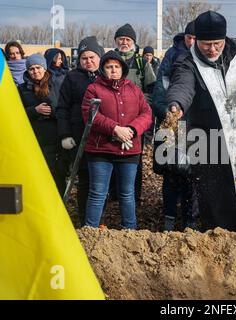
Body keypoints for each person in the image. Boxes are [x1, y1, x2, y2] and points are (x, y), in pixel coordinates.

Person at [166, 11, 236, 234]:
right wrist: (176, 104)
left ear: (225, 39)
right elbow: (182, 85)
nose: (212, 49)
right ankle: (225, 245)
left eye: (216, 44)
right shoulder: (187, 62)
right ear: (196, 40)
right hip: (211, 142)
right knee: (219, 198)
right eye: (206, 44)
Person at [81, 50, 152, 229]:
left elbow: (146, 113)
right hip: (100, 150)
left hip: (129, 150)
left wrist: (132, 129)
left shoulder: (134, 89)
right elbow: (90, 115)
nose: (113, 70)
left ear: (123, 69)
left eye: (117, 67)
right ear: (103, 69)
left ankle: (130, 231)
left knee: (127, 193)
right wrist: (114, 129)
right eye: (109, 67)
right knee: (98, 192)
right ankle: (90, 231)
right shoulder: (94, 89)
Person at [152, 20, 199, 231]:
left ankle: (191, 219)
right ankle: (169, 217)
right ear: (185, 37)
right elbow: (160, 94)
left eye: (197, 38)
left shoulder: (206, 57)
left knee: (193, 174)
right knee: (171, 173)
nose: (193, 42)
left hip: (196, 128)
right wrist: (169, 115)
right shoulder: (172, 56)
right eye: (190, 37)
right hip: (172, 125)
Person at [56, 36, 105, 225]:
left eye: (92, 57)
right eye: (84, 58)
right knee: (84, 181)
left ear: (99, 57)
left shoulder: (107, 75)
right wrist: (65, 134)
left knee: (100, 183)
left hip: (103, 138)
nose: (88, 61)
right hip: (79, 137)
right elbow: (62, 108)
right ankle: (85, 221)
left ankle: (99, 220)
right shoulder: (72, 77)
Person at [114, 23, 156, 202]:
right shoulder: (110, 61)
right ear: (116, 41)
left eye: (128, 39)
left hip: (135, 119)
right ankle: (113, 194)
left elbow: (152, 88)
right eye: (121, 39)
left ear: (133, 42)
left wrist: (141, 105)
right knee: (112, 155)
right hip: (113, 118)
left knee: (134, 158)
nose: (124, 42)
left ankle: (134, 194)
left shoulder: (141, 63)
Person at [18, 54, 65, 195]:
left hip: (55, 137)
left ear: (44, 68)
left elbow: (65, 108)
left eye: (38, 67)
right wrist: (34, 110)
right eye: (31, 69)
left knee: (56, 175)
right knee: (37, 174)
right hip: (34, 138)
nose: (35, 71)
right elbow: (17, 112)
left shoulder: (58, 83)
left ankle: (59, 204)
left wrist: (52, 112)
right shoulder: (22, 89)